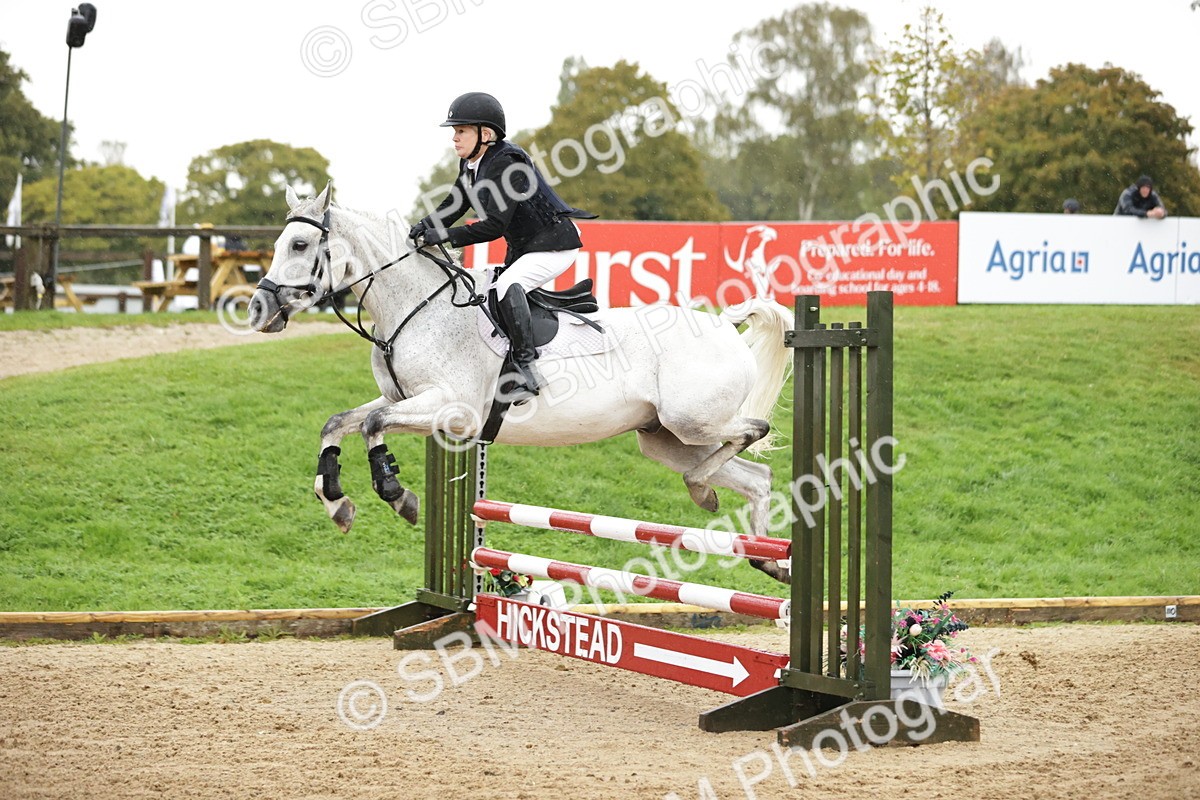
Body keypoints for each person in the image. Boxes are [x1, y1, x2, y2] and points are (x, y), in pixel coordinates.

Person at [409, 91, 595, 399]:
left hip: (554, 244)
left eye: (461, 131)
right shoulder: (471, 164)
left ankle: (526, 365)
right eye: (454, 132)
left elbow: (494, 227)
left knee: (508, 284)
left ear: (485, 133)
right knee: (489, 288)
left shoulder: (507, 163)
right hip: (527, 246)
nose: (454, 138)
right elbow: (454, 205)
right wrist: (423, 225)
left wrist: (442, 236)